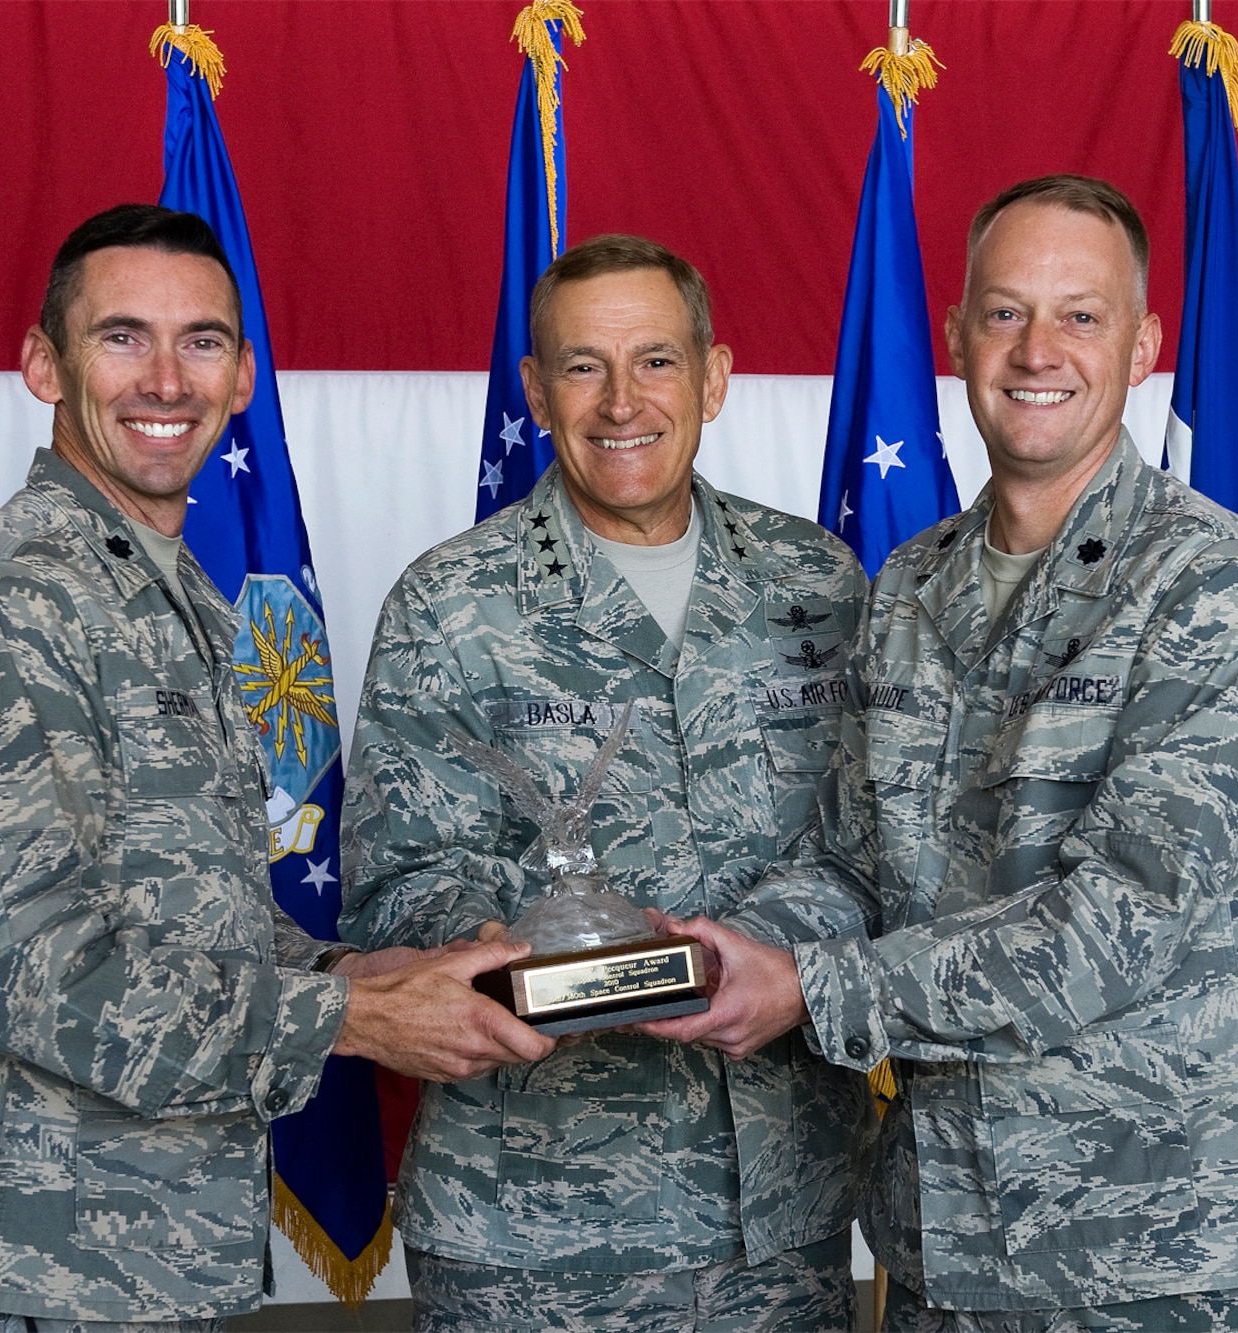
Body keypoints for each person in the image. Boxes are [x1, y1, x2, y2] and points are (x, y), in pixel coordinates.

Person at [643, 176, 1238, 1330]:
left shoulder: (1213, 590)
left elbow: (1115, 927)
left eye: (1080, 314)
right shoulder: (913, 585)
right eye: (1005, 313)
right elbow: (854, 863)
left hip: (1160, 1258)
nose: (1036, 351)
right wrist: (710, 951)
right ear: (957, 338)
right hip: (942, 1247)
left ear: (1142, 343)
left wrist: (808, 987)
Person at [0, 203, 553, 1331]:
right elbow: (33, 975)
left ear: (242, 377)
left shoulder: (164, 590)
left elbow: (194, 912)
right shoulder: (11, 612)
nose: (166, 379)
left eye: (201, 342)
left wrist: (377, 970)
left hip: (153, 1249)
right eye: (122, 336)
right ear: (44, 364)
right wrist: (351, 1025)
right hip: (33, 1262)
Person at [339, 234, 877, 1332]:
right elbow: (395, 889)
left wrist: (750, 958)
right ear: (536, 390)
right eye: (582, 366)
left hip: (780, 1207)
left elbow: (863, 847)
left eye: (656, 361)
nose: (620, 401)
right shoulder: (448, 602)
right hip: (532, 1224)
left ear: (713, 377)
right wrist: (547, 954)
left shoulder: (817, 584)